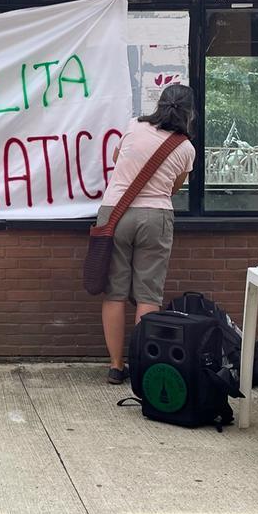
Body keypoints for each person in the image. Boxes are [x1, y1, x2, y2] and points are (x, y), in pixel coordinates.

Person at [97, 84, 197, 384]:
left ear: (160, 104)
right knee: (148, 294)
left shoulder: (134, 126)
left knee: (114, 292)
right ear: (190, 113)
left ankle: (116, 366)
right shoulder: (186, 147)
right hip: (155, 216)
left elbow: (118, 159)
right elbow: (174, 188)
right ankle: (142, 364)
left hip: (115, 211)